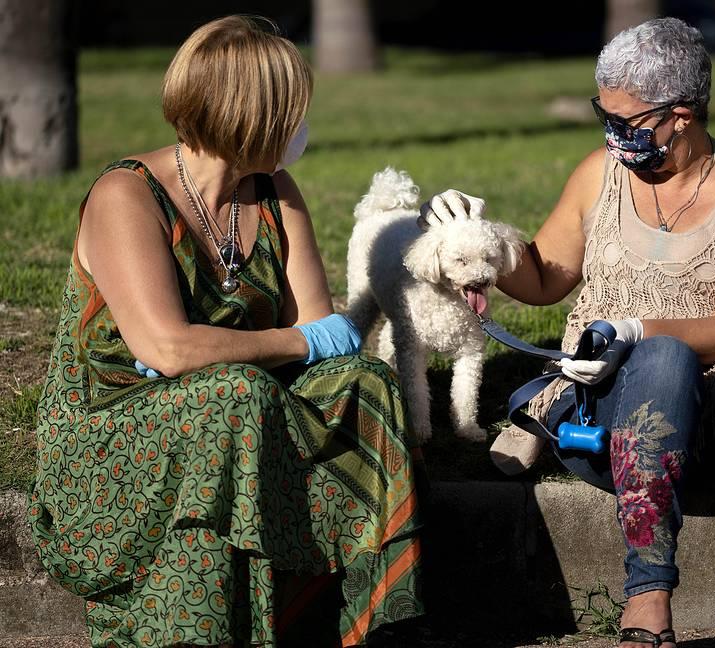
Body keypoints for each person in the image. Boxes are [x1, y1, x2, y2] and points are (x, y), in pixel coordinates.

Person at [421, 17, 715, 648]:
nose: (611, 134)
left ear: (681, 115)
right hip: (609, 414)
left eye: (624, 121)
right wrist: (474, 237)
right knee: (662, 360)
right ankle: (647, 594)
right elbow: (545, 276)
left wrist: (636, 328)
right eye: (605, 115)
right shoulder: (601, 173)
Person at [27, 16, 423, 647]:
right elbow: (169, 348)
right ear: (250, 117)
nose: (301, 126)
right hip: (117, 430)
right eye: (291, 112)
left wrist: (268, 346)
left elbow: (320, 329)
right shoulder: (125, 196)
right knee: (232, 395)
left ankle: (360, 622)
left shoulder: (273, 191)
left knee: (364, 382)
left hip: (241, 398)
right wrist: (295, 343)